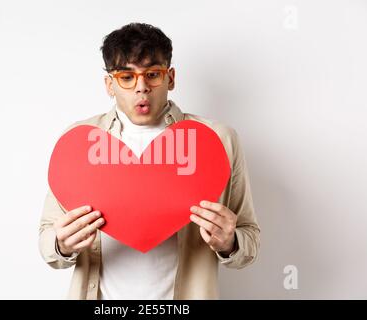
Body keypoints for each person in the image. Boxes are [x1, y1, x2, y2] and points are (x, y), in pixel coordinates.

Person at [39, 22, 260, 300]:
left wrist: (230, 243)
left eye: (152, 74)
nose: (141, 88)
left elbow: (249, 239)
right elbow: (47, 239)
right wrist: (62, 244)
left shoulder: (218, 141)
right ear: (109, 84)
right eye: (126, 77)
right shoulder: (79, 142)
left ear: (171, 78)